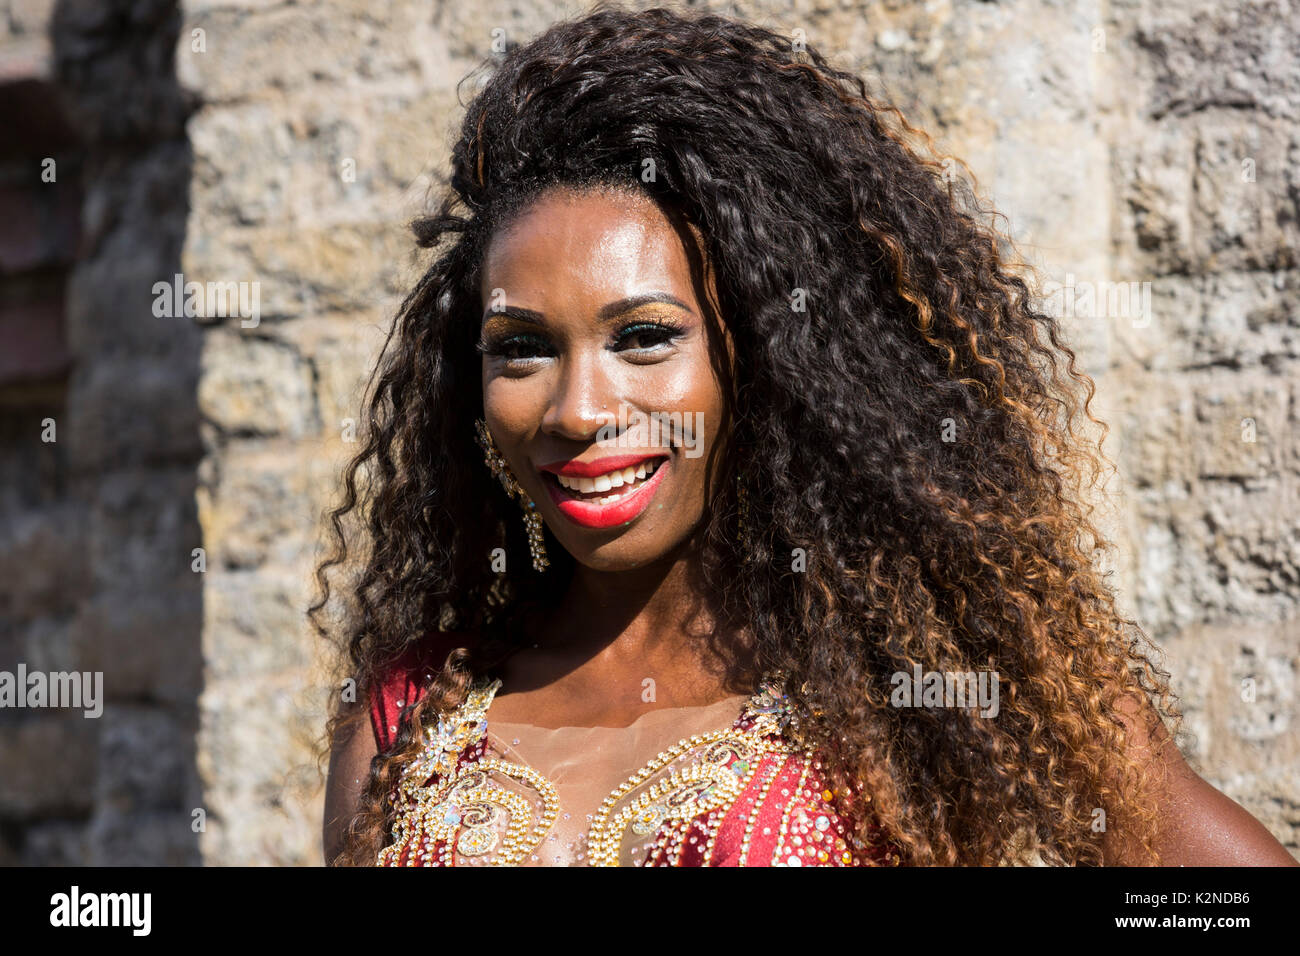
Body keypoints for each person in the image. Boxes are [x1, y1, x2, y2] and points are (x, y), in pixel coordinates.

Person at [316, 5, 1297, 866]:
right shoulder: (413, 711)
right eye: (521, 349)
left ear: (762, 353)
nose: (577, 407)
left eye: (644, 337)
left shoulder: (914, 670)